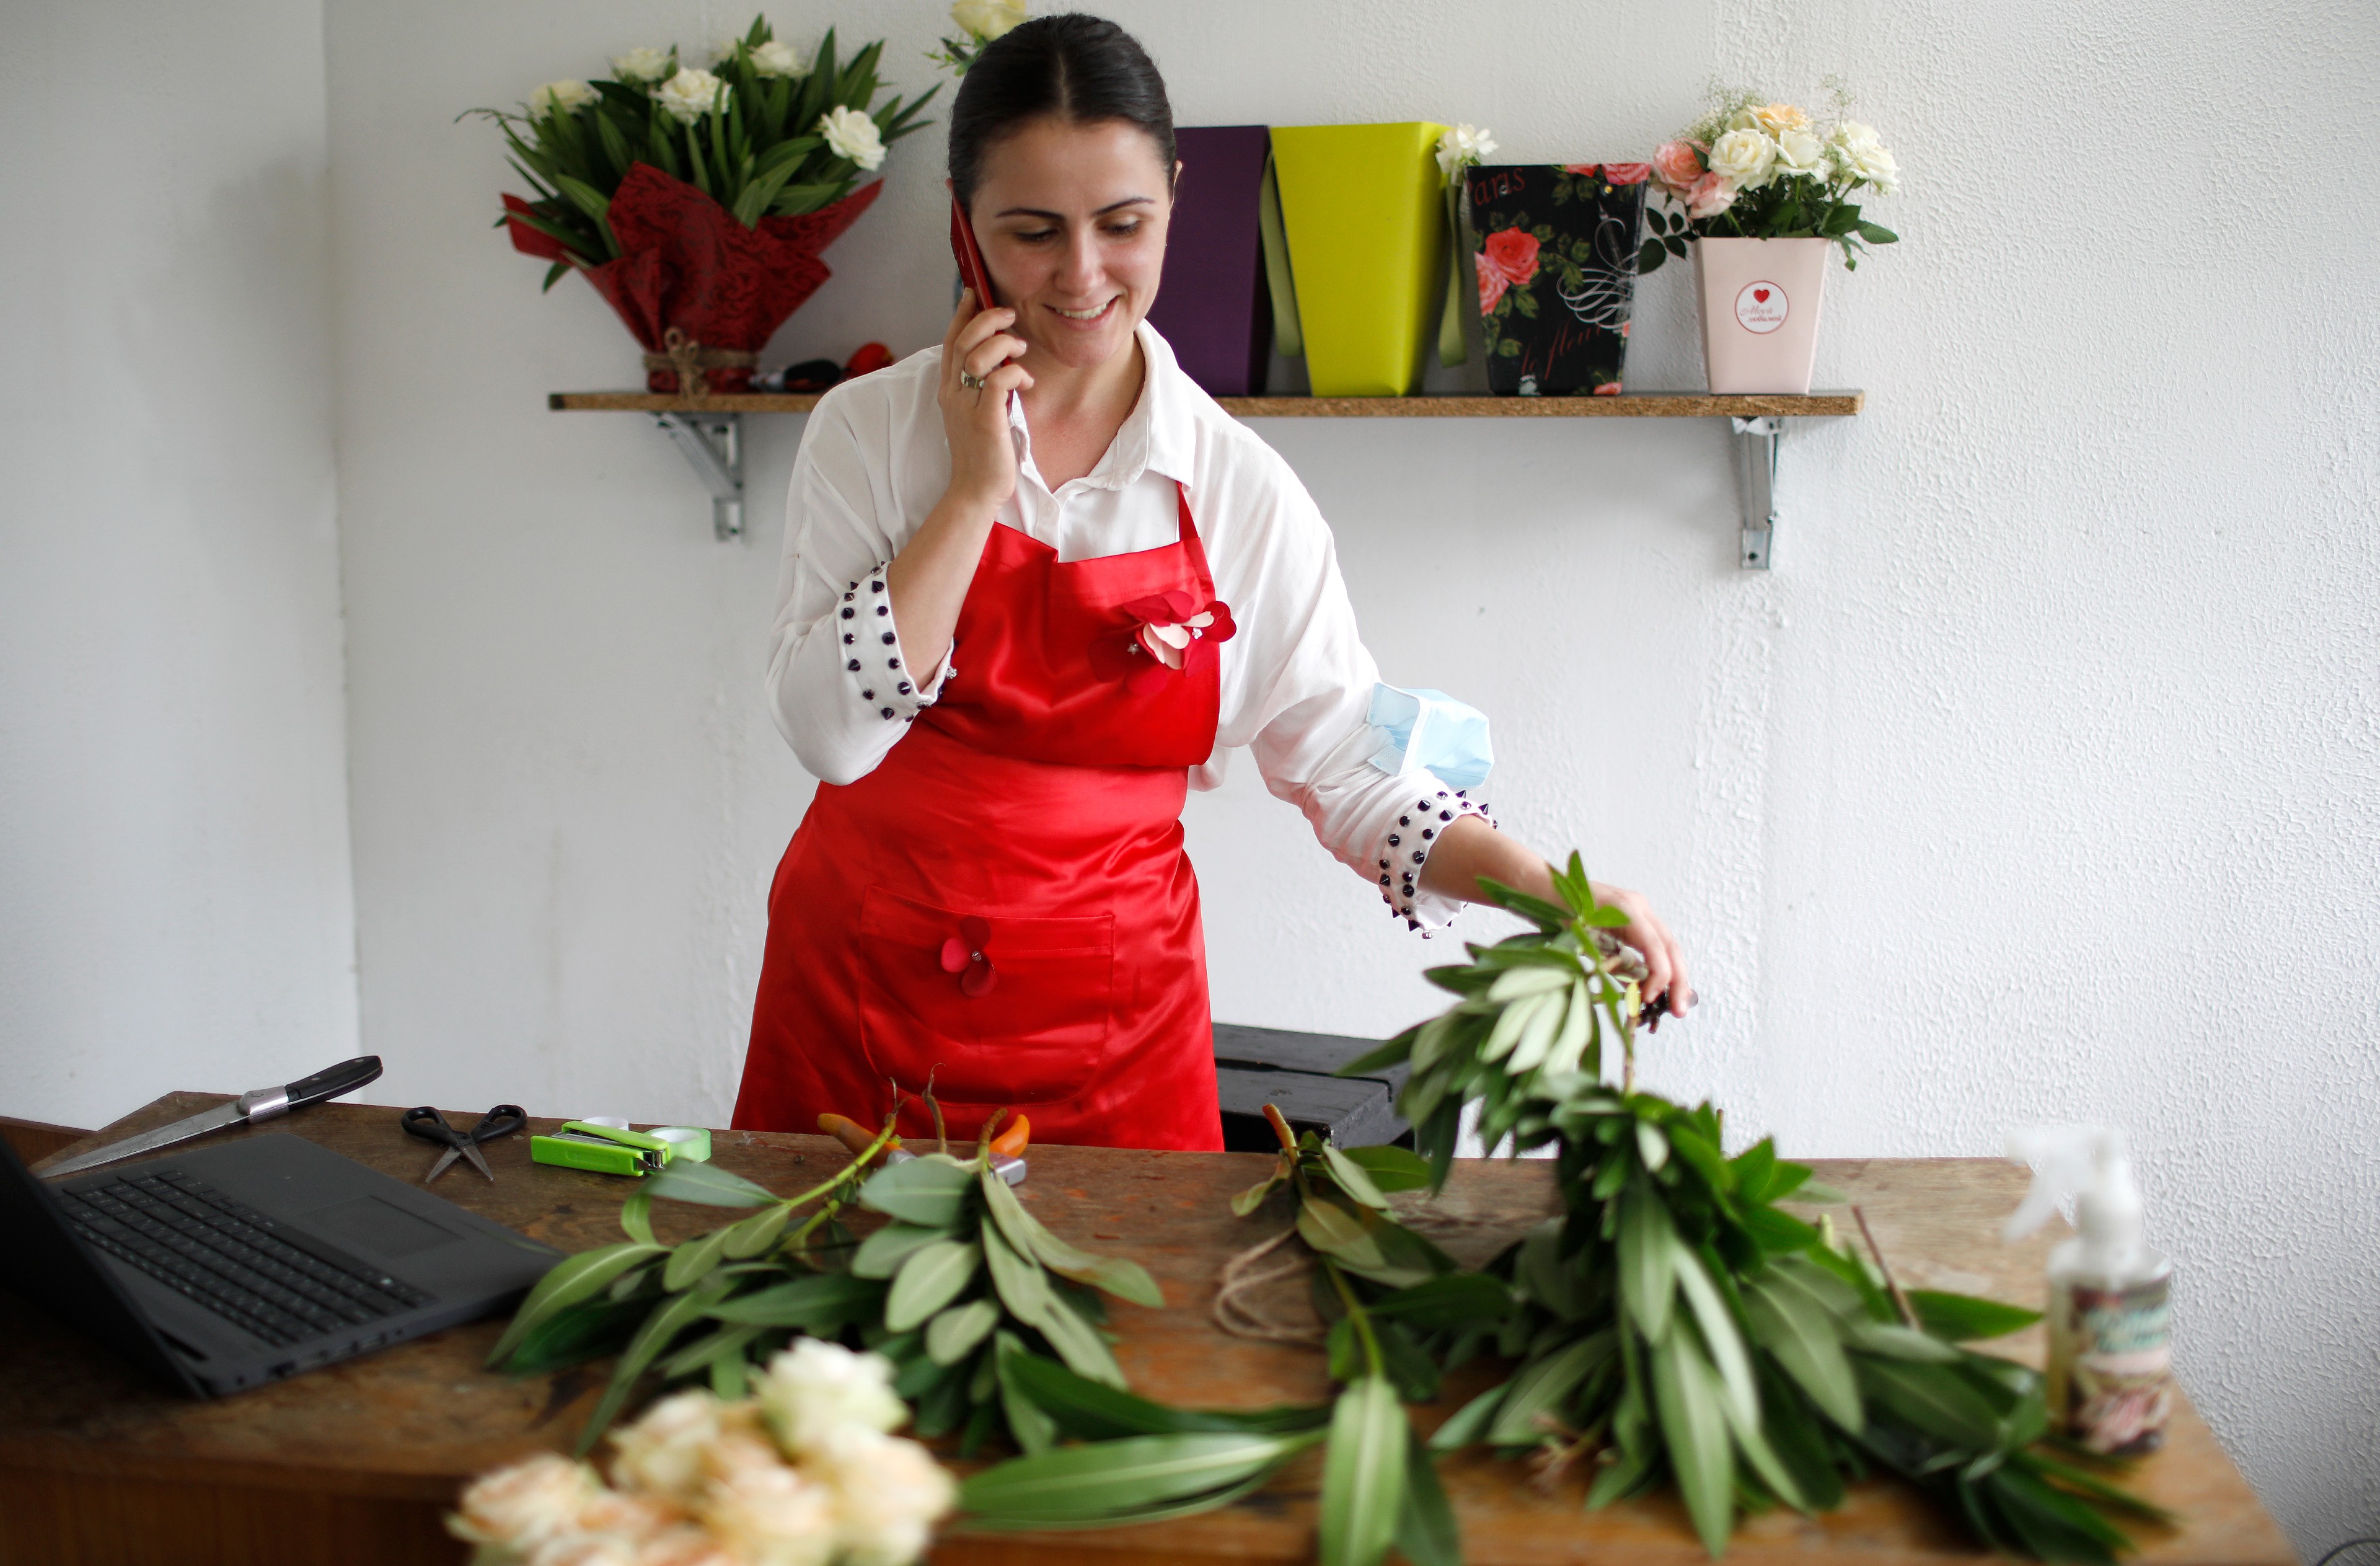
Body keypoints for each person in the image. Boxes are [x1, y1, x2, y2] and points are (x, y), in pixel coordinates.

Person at [732, 14, 1691, 1151]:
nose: (1083, 275)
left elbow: (1347, 763)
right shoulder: (871, 433)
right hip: (855, 1011)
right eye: (1032, 232)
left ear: (1178, 199)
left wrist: (1557, 894)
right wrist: (971, 493)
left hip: (1114, 1030)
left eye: (1123, 224)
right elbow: (832, 739)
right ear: (964, 222)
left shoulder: (1239, 486)